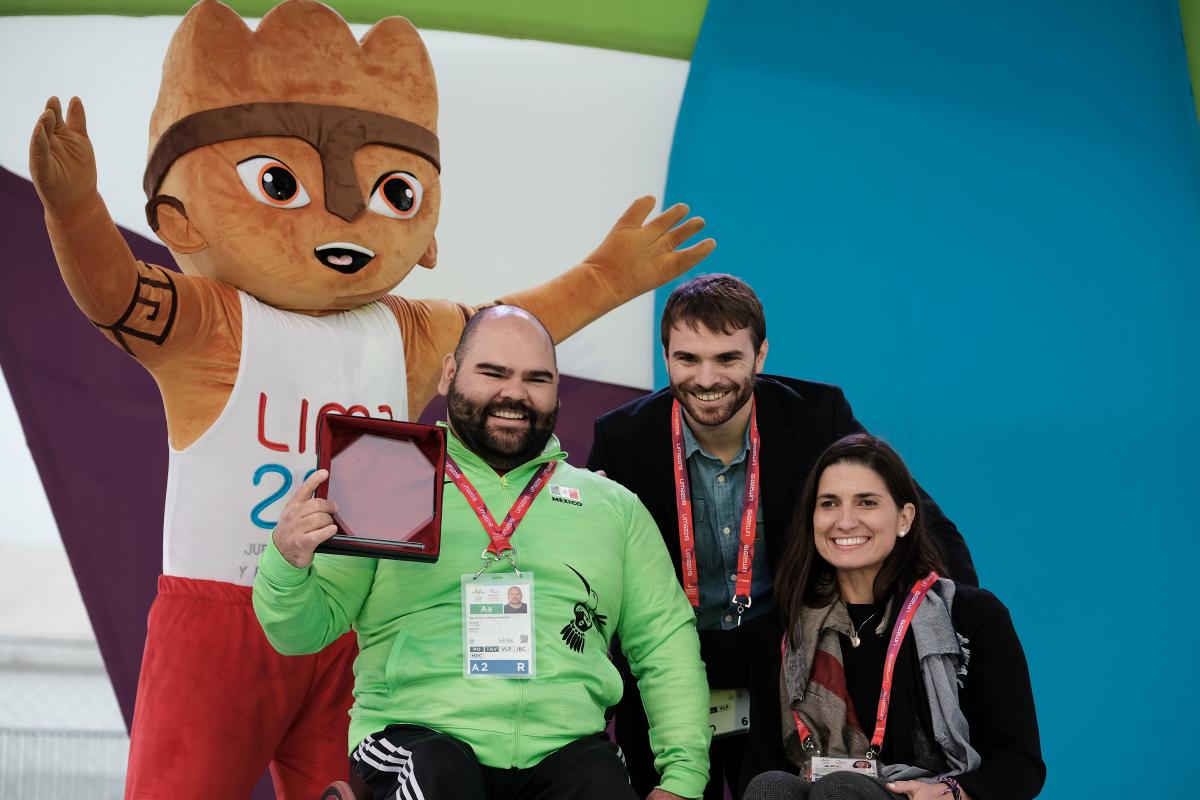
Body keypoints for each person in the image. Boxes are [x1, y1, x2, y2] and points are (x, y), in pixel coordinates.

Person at [254, 305, 710, 800]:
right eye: (493, 372)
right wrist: (287, 562)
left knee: (598, 782)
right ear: (449, 373)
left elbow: (665, 645)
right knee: (438, 773)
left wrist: (683, 781)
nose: (513, 393)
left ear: (557, 388)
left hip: (568, 748)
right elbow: (300, 633)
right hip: (420, 740)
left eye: (536, 378)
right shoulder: (387, 477)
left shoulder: (612, 508)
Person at [587, 274, 978, 798]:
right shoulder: (623, 437)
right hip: (667, 675)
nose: (706, 378)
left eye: (727, 358)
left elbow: (923, 524)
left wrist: (963, 628)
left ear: (760, 354)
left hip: (788, 670)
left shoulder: (817, 416)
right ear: (666, 357)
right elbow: (594, 570)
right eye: (687, 359)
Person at [743, 434, 1044, 800]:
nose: (845, 521)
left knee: (842, 791)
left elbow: (1021, 765)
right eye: (829, 503)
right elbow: (759, 764)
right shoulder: (783, 626)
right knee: (770, 788)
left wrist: (952, 793)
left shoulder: (972, 617)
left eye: (867, 503)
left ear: (904, 518)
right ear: (812, 519)